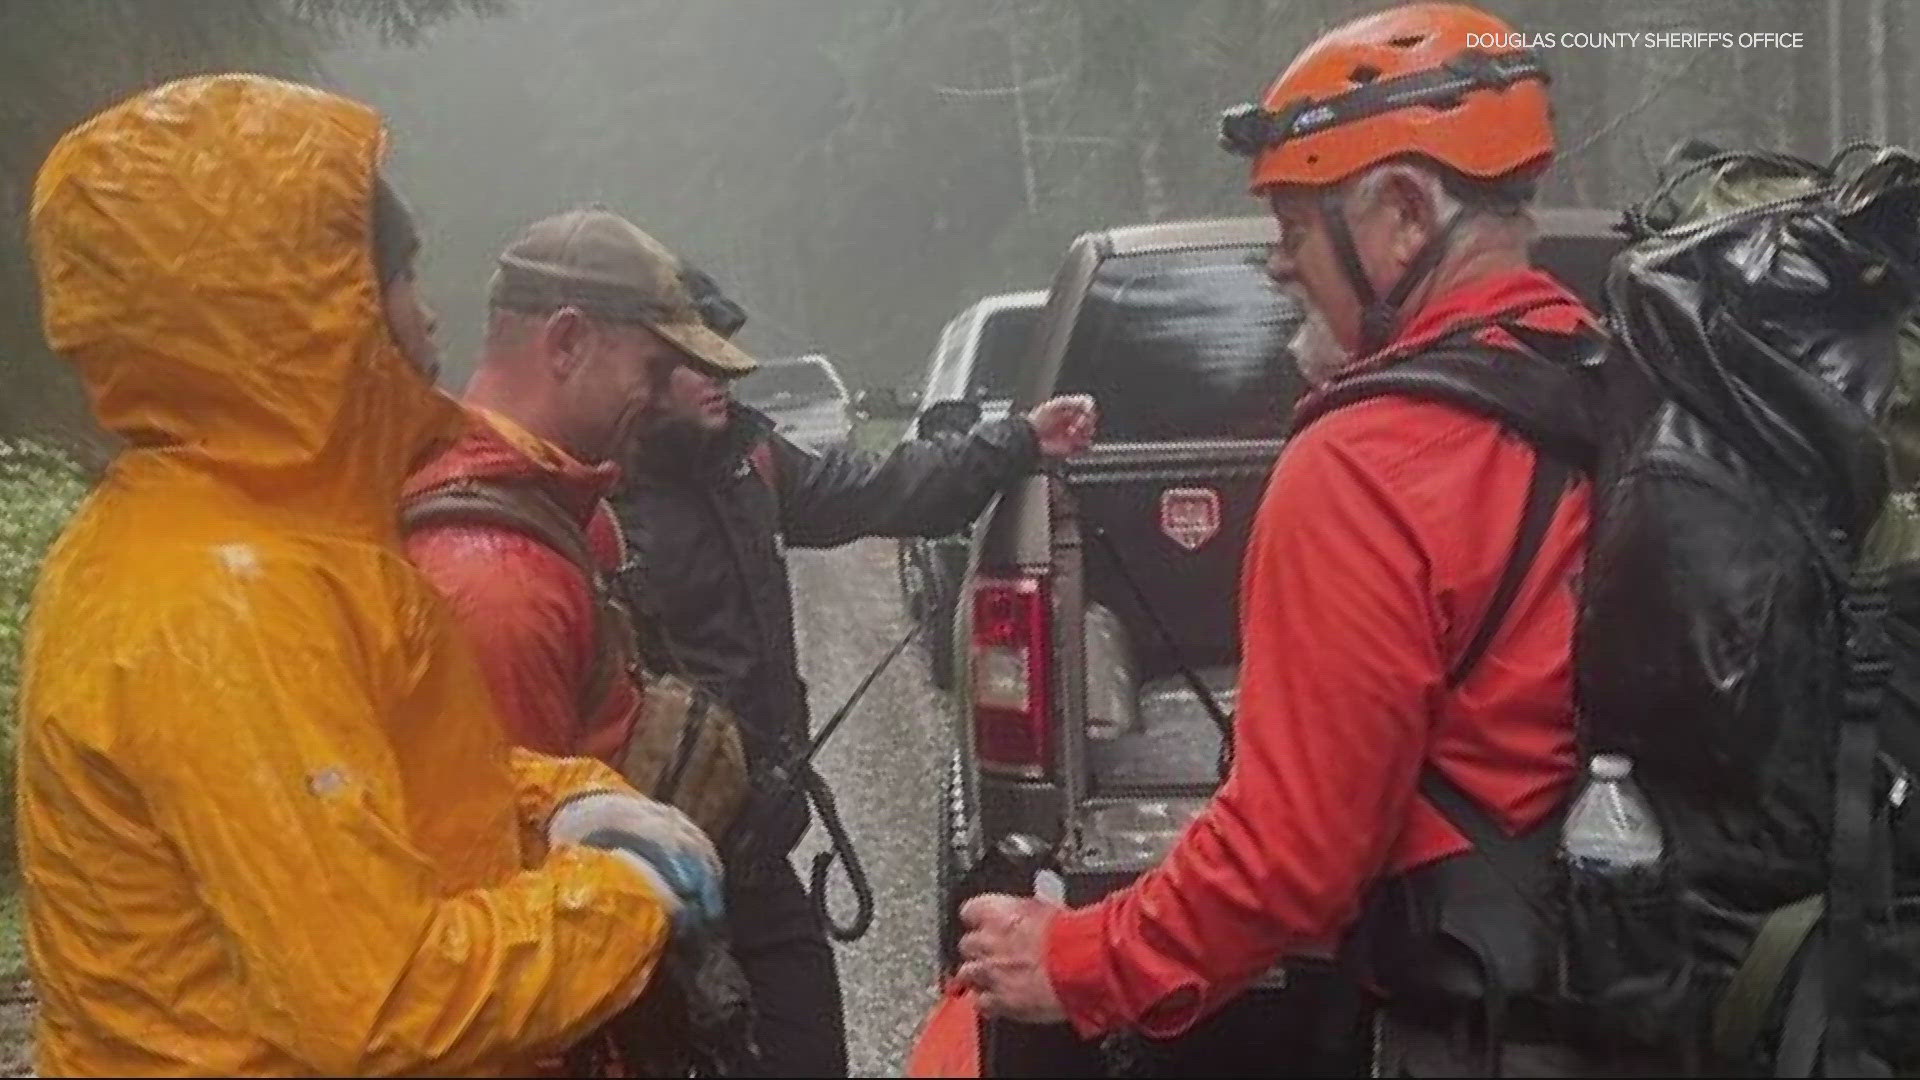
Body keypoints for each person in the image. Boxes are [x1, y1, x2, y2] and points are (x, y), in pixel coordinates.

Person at [955, 4, 1680, 1075]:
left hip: (1475, 1025)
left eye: (1293, 229)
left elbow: (1288, 863)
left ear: (1400, 209)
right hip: (1648, 996)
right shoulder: (1617, 381)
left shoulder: (1363, 463)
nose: (1282, 267)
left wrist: (1073, 959)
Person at [17, 73, 721, 1077]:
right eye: (402, 280)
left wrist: (560, 803)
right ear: (310, 310)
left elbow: (380, 783)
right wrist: (621, 900)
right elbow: (386, 1006)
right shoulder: (226, 605)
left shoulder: (242, 537)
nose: (428, 322)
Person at [612, 272, 1098, 1076]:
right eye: (700, 363)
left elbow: (875, 489)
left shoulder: (751, 461)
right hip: (644, 901)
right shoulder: (593, 502)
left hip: (762, 870)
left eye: (730, 363)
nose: (726, 380)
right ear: (640, 369)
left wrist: (1017, 441)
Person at [402, 208, 753, 765]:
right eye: (655, 372)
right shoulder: (496, 589)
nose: (666, 401)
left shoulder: (577, 512)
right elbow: (509, 844)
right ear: (567, 342)